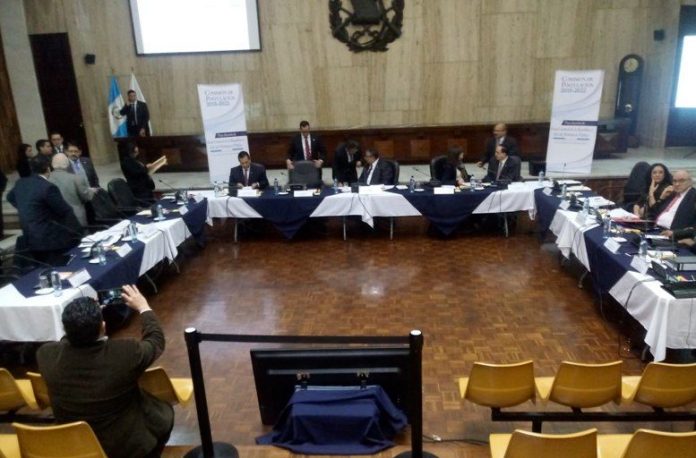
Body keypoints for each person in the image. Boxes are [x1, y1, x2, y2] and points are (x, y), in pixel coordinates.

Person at [36, 285, 174, 458]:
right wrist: (143, 307)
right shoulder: (125, 354)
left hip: (76, 445)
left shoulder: (45, 355)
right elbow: (156, 340)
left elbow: (66, 341)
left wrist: (80, 326)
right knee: (163, 416)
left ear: (66, 329)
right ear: (103, 326)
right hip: (123, 448)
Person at [7, 155, 81, 264]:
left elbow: (10, 197)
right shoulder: (48, 187)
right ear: (48, 168)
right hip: (50, 239)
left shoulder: (21, 183)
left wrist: (26, 208)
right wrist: (78, 232)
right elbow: (64, 210)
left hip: (29, 236)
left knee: (40, 268)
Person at [49, 153, 95, 227]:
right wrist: (92, 191)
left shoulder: (46, 180)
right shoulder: (76, 179)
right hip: (76, 217)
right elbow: (86, 197)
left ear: (52, 164)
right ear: (67, 164)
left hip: (56, 220)